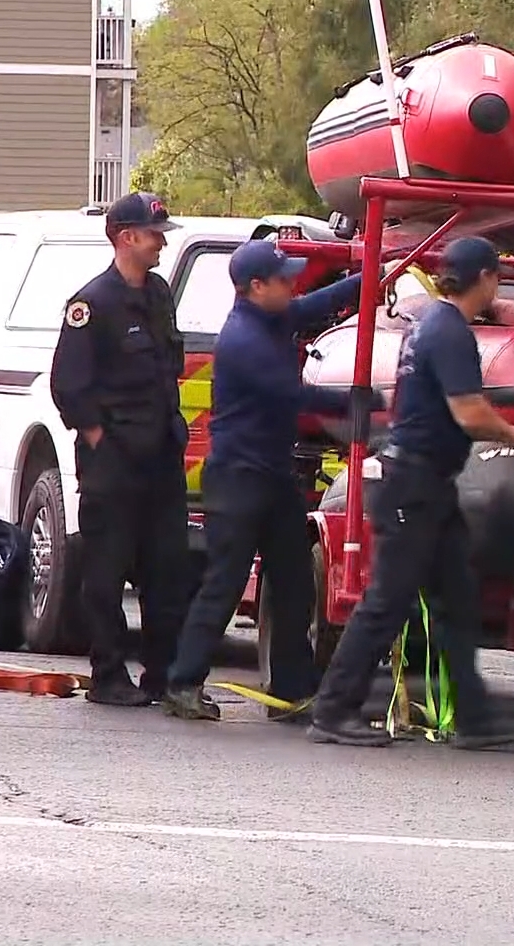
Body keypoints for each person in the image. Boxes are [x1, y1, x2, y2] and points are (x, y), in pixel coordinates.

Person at [307, 236, 514, 751]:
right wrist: (512, 433)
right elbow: (469, 413)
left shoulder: (427, 324)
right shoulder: (451, 332)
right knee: (387, 601)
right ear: (485, 278)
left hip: (426, 484)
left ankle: (474, 718)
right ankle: (334, 708)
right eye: (497, 277)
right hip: (416, 485)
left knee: (457, 599)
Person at [161, 240, 364, 722]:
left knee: (294, 581)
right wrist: (356, 400)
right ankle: (183, 683)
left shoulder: (269, 318)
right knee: (225, 582)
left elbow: (314, 305)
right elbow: (291, 394)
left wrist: (376, 275)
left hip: (271, 474)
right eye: (282, 279)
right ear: (255, 287)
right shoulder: (244, 339)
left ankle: (293, 688)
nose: (291, 285)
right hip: (238, 479)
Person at [48, 191, 193, 708]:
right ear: (127, 237)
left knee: (166, 570)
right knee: (106, 574)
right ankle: (108, 675)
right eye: (154, 234)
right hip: (114, 462)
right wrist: (97, 438)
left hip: (160, 457)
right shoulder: (93, 304)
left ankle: (163, 674)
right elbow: (68, 383)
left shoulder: (157, 294)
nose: (160, 243)